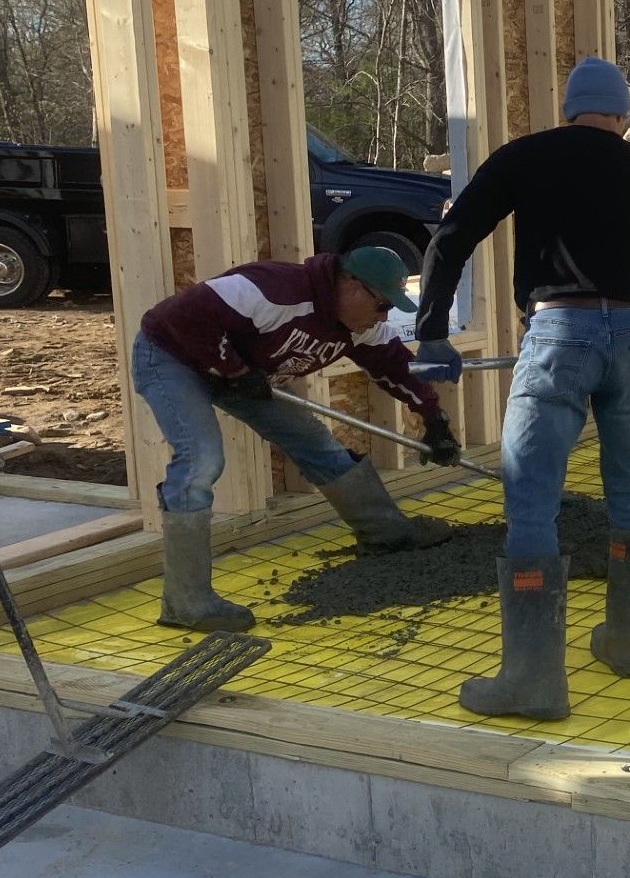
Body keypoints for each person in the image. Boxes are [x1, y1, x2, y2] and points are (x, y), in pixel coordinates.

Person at [414, 57, 630, 719]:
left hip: (559, 337)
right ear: (621, 115)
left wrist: (432, 332)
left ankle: (532, 681)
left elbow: (450, 239)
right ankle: (629, 643)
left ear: (571, 107)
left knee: (531, 504)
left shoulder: (526, 158)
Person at [134, 246, 461, 631]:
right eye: (381, 305)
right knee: (201, 459)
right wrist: (235, 370)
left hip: (239, 374)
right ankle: (186, 604)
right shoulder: (275, 290)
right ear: (354, 287)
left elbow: (395, 367)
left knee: (316, 443)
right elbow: (183, 317)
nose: (383, 316)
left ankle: (386, 535)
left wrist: (433, 417)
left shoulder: (362, 325)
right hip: (172, 356)